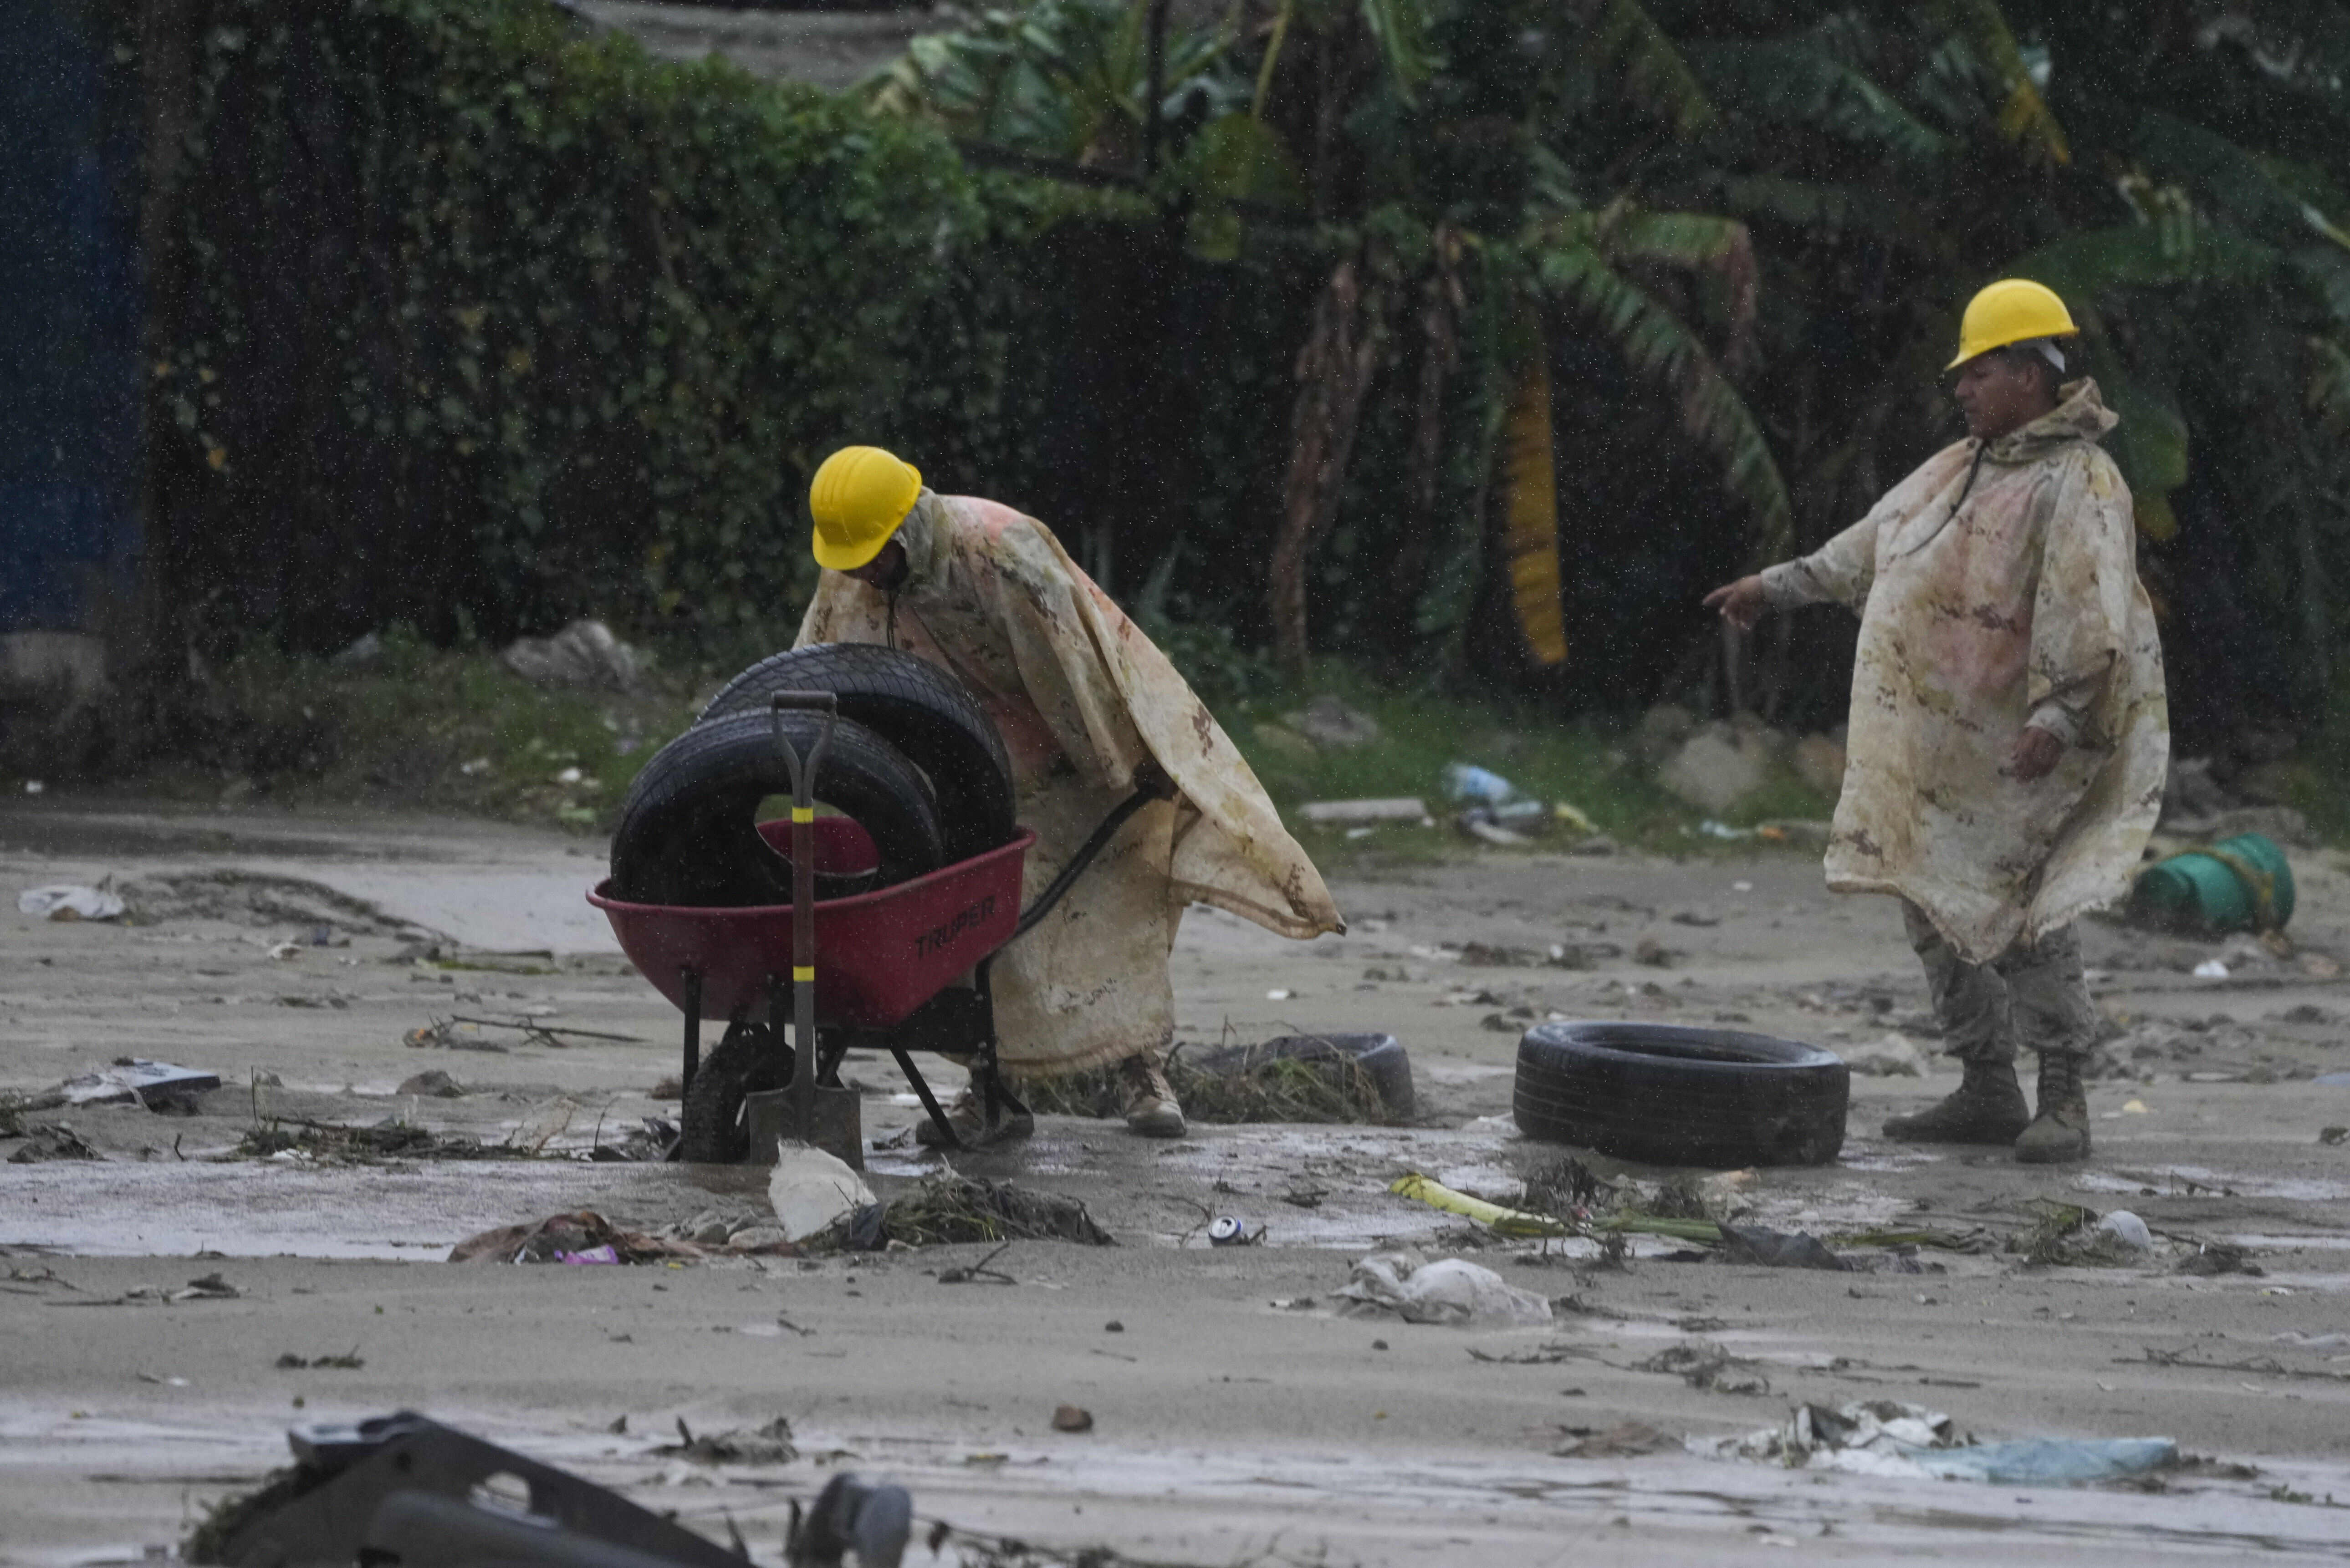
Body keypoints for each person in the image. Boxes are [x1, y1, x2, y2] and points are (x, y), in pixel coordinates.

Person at [1703, 279, 2169, 1164]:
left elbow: (2088, 610)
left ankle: (2064, 1097)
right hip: (1937, 741)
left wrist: (2059, 719)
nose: (1962, 389)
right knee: (1929, 901)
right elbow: (1866, 548)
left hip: (2025, 743)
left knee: (2025, 913)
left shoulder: (2080, 482)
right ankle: (1988, 1085)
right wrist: (1774, 587)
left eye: (1981, 372)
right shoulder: (1961, 468)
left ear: (2032, 375)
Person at [795, 445, 1345, 1143]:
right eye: (850, 561)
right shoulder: (856, 569)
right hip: (961, 763)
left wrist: (1117, 765)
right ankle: (991, 1093)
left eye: (871, 556)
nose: (860, 574)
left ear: (907, 530)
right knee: (972, 929)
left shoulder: (1000, 552)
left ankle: (1140, 1073)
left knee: (1111, 909)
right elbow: (820, 654)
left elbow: (1077, 665)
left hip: (1073, 748)